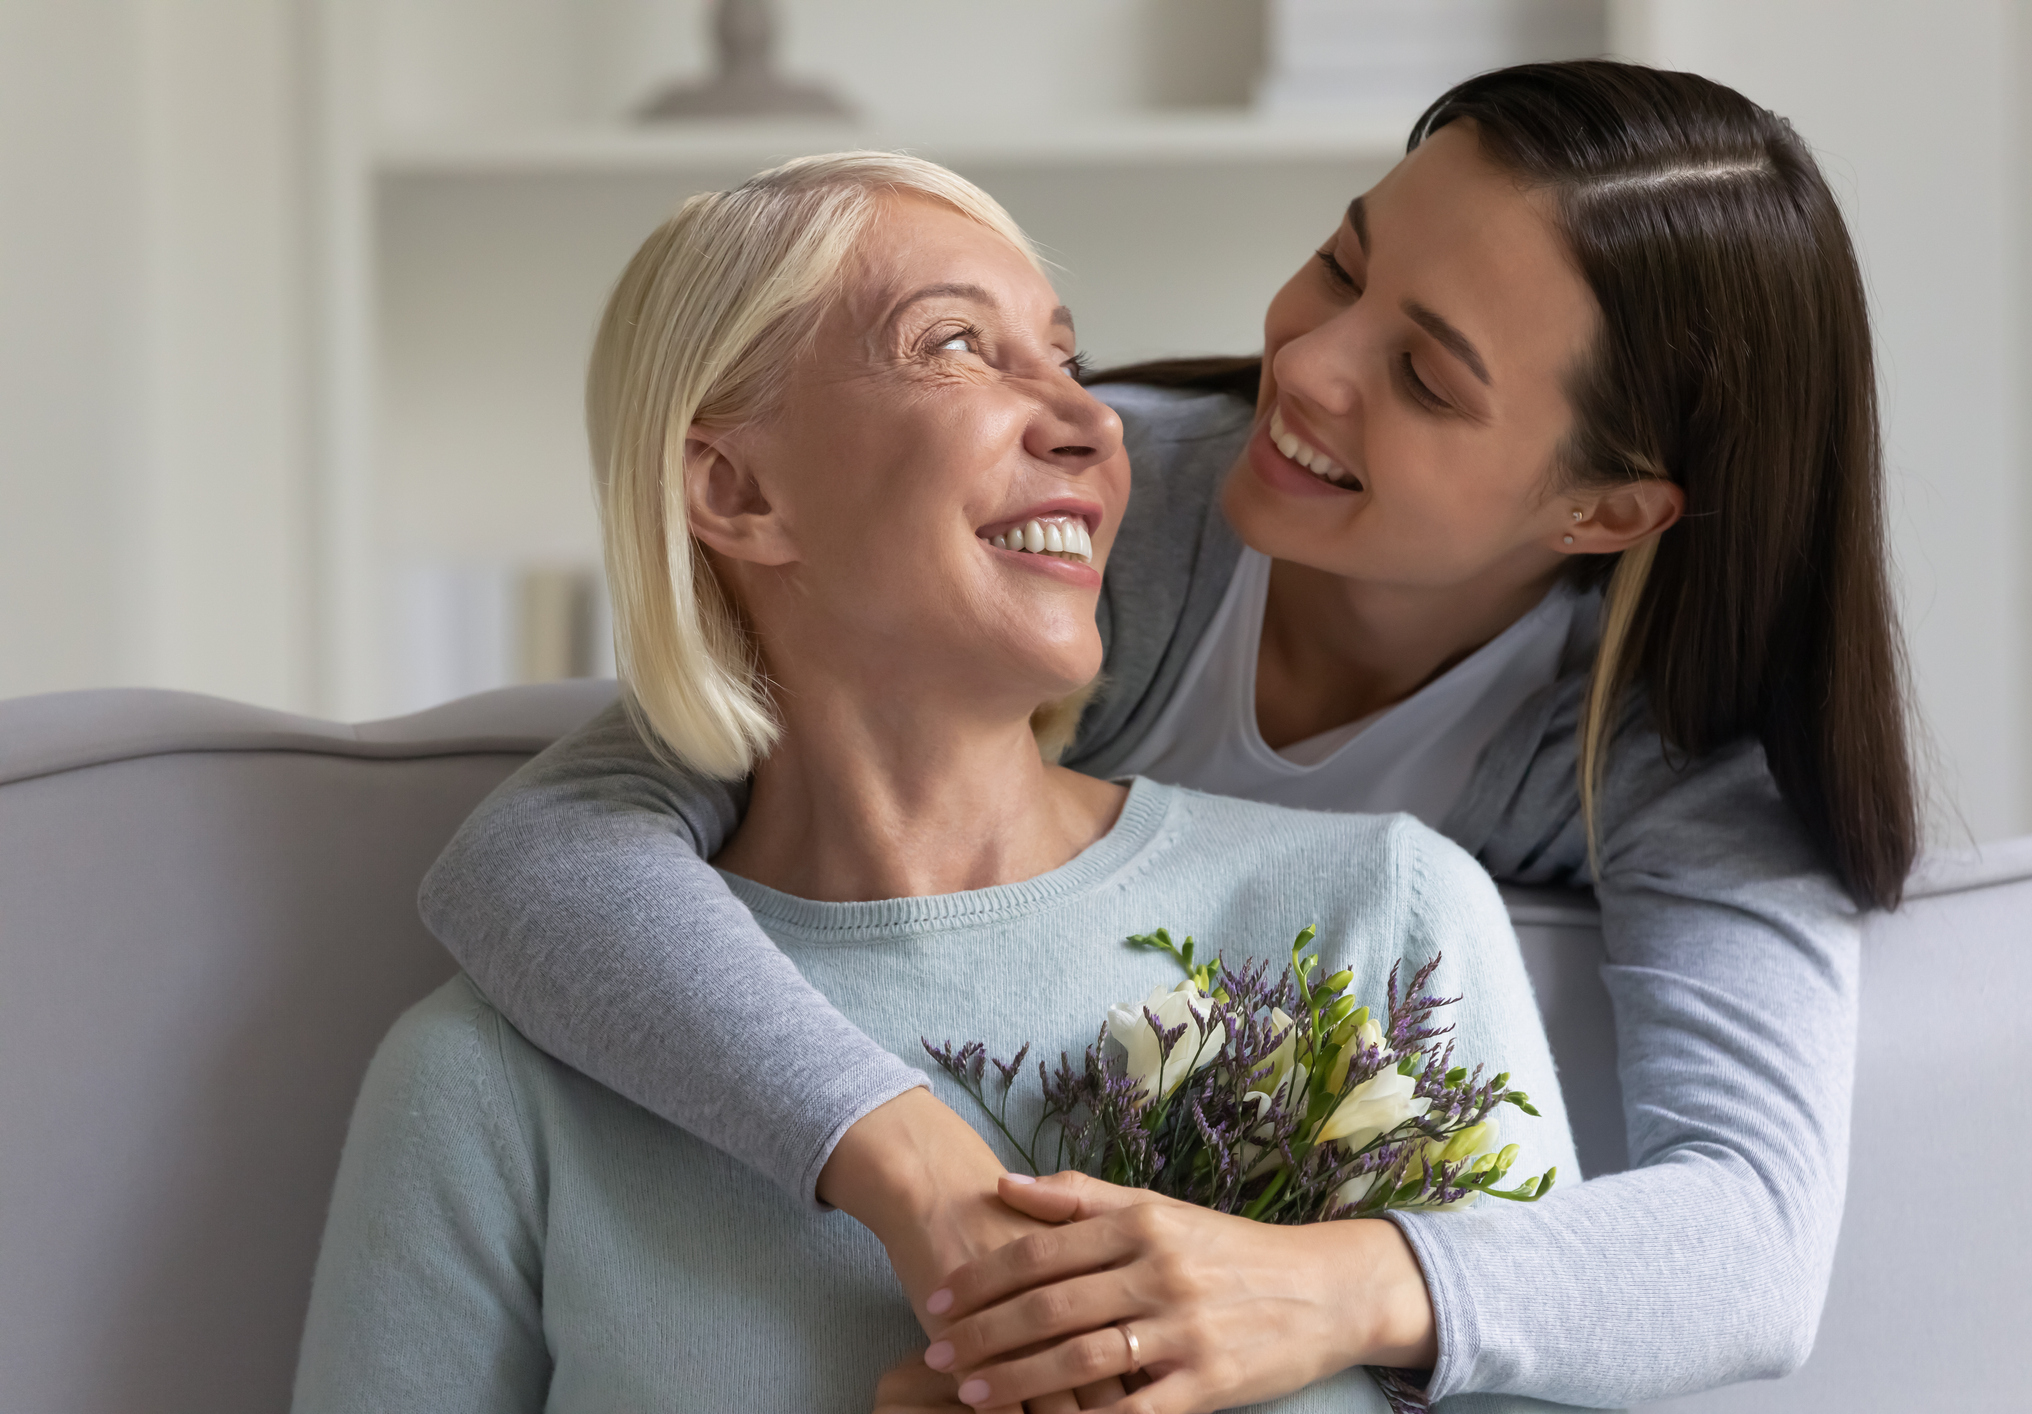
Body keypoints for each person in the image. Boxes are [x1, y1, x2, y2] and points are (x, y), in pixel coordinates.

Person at [418, 60, 1916, 1412]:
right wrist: (927, 1170)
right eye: (1341, 262)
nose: (1310, 365)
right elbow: (541, 848)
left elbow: (1750, 1241)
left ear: (1603, 510)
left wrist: (1313, 1288)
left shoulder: (1663, 753)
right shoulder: (1088, 518)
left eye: (1424, 376)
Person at [291, 152, 1576, 1414]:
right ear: (736, 490)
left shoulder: (1381, 921)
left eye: (1065, 356)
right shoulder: (493, 1082)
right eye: (955, 345)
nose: (1092, 419)